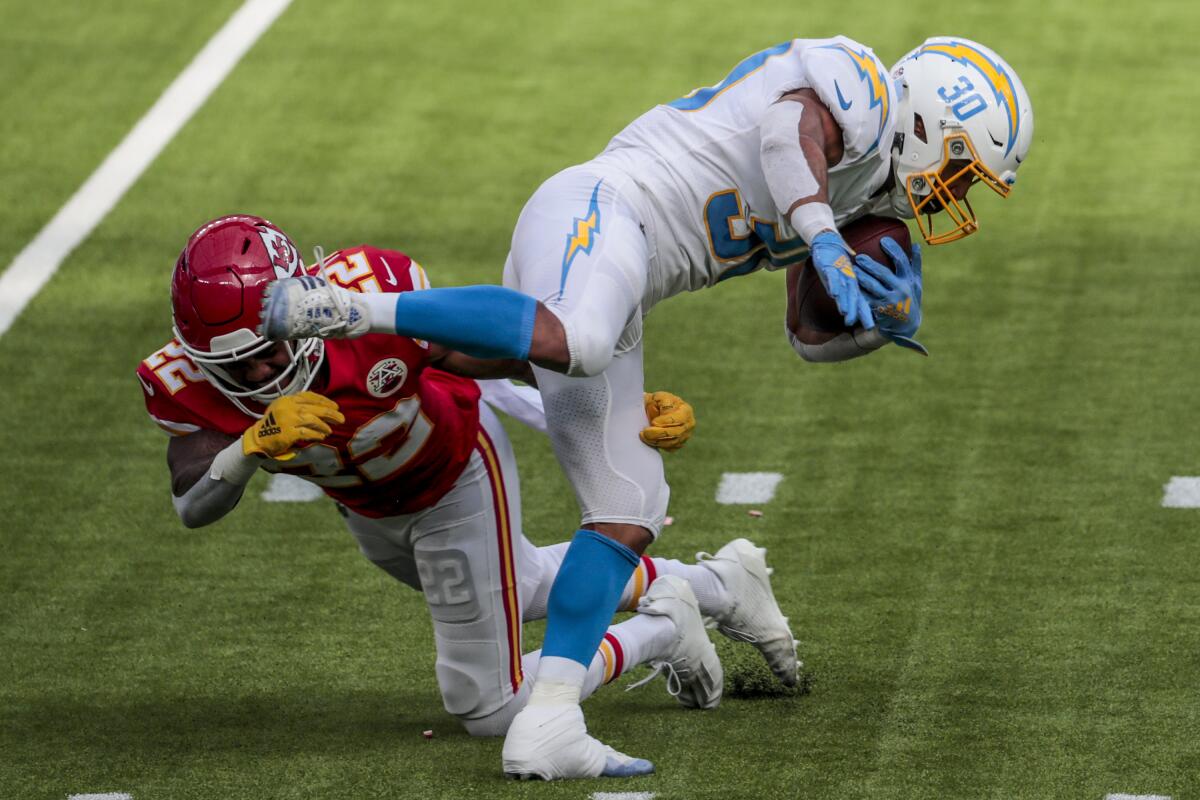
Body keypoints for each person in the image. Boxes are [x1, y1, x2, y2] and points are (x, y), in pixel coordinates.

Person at [259, 35, 1032, 779]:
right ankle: (350, 308)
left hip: (628, 284)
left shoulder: (868, 207)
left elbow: (807, 334)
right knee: (579, 337)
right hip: (599, 209)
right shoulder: (854, 81)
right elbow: (783, 135)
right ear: (933, 121)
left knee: (630, 503)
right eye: (963, 172)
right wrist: (824, 237)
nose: (956, 195)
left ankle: (552, 719)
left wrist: (878, 324)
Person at [137, 215, 797, 772]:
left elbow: (501, 355)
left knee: (489, 707)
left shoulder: (366, 299)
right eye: (235, 366)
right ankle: (718, 584)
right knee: (525, 582)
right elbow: (192, 502)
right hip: (372, 513)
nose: (259, 373)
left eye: (268, 350)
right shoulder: (182, 381)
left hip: (453, 471)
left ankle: (662, 628)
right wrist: (246, 448)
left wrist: (620, 408)